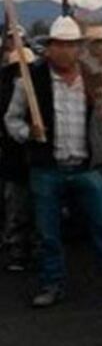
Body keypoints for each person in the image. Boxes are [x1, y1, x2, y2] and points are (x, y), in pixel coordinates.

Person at [4, 17, 102, 308]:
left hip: (86, 167)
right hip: (47, 168)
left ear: (79, 48)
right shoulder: (30, 82)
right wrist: (27, 134)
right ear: (50, 48)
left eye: (72, 45)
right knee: (48, 233)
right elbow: (11, 120)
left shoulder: (94, 81)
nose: (66, 51)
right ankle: (51, 284)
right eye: (60, 45)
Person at [1, 42, 35, 272]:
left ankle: (33, 246)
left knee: (37, 206)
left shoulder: (39, 88)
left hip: (38, 157)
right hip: (14, 156)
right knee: (17, 205)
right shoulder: (4, 91)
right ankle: (17, 247)